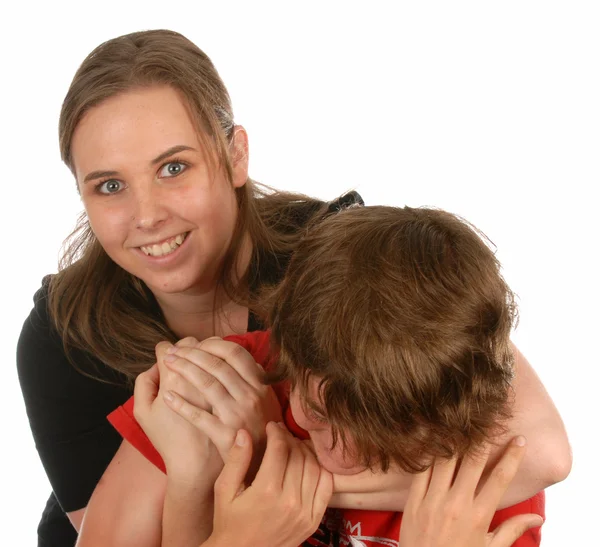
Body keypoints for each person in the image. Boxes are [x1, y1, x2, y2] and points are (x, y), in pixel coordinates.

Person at [16, 28, 362, 546]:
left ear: (236, 156)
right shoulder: (62, 334)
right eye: (111, 186)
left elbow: (526, 449)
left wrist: (259, 448)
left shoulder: (342, 256)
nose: (148, 216)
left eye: (173, 168)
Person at [104, 205, 569, 546]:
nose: (333, 449)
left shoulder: (482, 481)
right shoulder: (233, 382)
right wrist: (196, 488)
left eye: (375, 434)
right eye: (318, 410)